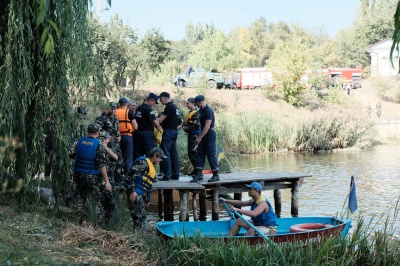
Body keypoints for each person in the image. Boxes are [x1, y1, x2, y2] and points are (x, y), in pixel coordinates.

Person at [69, 123, 111, 225]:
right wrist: (107, 181)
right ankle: (99, 224)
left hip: (78, 173)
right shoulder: (98, 144)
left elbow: (71, 154)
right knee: (96, 199)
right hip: (90, 174)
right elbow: (101, 165)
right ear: (99, 132)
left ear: (88, 131)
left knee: (81, 196)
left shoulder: (79, 141)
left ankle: (79, 220)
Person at [125, 147, 167, 230]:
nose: (161, 160)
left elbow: (146, 183)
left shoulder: (148, 165)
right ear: (154, 156)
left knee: (140, 216)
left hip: (139, 193)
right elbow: (129, 177)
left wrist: (146, 198)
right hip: (135, 193)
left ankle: (137, 236)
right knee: (141, 217)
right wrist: (132, 192)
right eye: (160, 158)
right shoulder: (143, 163)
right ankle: (138, 237)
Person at [191, 95, 219, 183]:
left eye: (197, 104)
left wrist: (199, 137)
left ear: (200, 102)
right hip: (203, 133)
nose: (197, 106)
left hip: (209, 133)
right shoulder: (201, 111)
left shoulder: (208, 111)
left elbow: (207, 126)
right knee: (200, 153)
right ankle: (199, 174)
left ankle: (215, 174)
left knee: (210, 154)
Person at [158, 92, 180, 181]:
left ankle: (166, 175)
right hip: (174, 131)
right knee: (174, 153)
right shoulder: (175, 107)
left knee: (165, 153)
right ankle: (176, 174)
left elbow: (160, 119)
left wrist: (155, 120)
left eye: (161, 99)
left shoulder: (169, 106)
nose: (160, 101)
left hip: (168, 132)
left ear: (165, 98)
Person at [99, 130, 119, 226]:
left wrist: (106, 147)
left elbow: (116, 157)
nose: (103, 140)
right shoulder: (97, 146)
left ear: (109, 139)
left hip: (109, 177)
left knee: (111, 201)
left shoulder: (112, 147)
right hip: (98, 177)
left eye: (105, 138)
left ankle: (110, 222)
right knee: (100, 200)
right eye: (101, 138)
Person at [134, 93, 162, 160]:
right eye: (154, 102)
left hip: (138, 134)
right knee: (150, 154)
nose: (154, 104)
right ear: (151, 100)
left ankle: (138, 169)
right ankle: (149, 169)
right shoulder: (148, 110)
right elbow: (155, 123)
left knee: (138, 154)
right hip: (147, 135)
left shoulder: (139, 108)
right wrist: (160, 129)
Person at [115, 97, 138, 175]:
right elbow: (135, 127)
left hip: (117, 137)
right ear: (127, 104)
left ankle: (118, 176)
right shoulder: (130, 112)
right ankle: (127, 176)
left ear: (119, 104)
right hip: (128, 137)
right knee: (128, 158)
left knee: (117, 157)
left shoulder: (114, 112)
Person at [182, 97, 201, 176]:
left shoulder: (196, 113)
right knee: (190, 153)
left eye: (187, 103)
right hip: (191, 135)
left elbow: (196, 125)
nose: (186, 105)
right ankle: (196, 169)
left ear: (193, 104)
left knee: (194, 153)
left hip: (195, 135)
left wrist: (186, 128)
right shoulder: (191, 112)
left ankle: (198, 171)